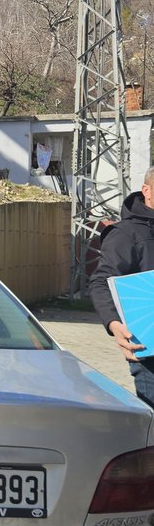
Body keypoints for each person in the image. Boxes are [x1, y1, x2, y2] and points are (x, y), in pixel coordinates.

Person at [88, 165, 154, 410]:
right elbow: (101, 281)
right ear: (146, 190)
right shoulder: (126, 234)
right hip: (149, 352)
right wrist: (115, 325)